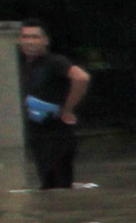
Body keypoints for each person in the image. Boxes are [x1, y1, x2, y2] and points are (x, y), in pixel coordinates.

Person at [20, 22, 88, 189]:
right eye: (25, 37)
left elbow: (81, 78)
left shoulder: (54, 62)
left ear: (45, 41)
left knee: (58, 189)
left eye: (35, 37)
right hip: (39, 137)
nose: (30, 41)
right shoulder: (27, 67)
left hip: (58, 137)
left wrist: (68, 109)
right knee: (49, 188)